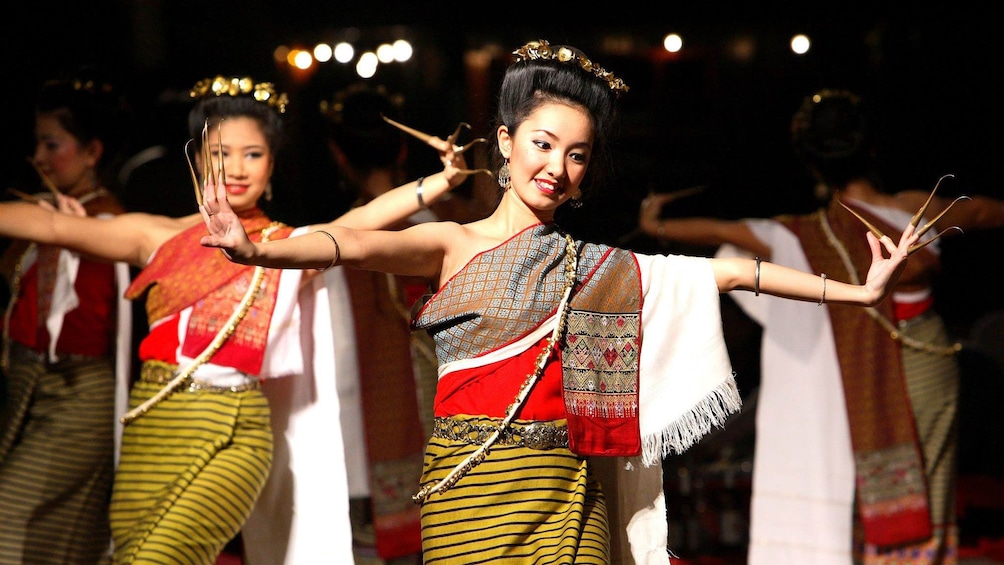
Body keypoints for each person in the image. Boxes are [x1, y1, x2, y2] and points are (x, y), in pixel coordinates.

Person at [200, 40, 923, 564]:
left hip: (566, 492)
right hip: (470, 490)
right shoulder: (452, 242)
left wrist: (856, 291)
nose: (558, 166)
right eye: (544, 144)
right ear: (507, 144)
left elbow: (727, 276)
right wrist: (258, 249)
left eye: (577, 154)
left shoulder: (595, 266)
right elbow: (344, 245)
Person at [0, 74, 472, 565]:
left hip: (233, 428)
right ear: (198, 158)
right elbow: (53, 226)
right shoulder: (154, 236)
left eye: (254, 154)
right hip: (151, 423)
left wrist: (441, 180)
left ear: (272, 166)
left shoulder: (285, 246)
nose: (237, 168)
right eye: (222, 153)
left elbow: (359, 222)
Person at [637, 88, 1004, 564]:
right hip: (929, 361)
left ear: (812, 165)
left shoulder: (800, 234)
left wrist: (656, 225)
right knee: (929, 484)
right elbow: (983, 211)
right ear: (870, 148)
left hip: (854, 371)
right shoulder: (917, 207)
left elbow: (717, 231)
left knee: (859, 484)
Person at [0, 68, 133, 565]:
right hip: (33, 389)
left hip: (81, 396)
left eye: (51, 144)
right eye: (38, 144)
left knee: (10, 520)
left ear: (93, 151)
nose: (39, 157)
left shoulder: (109, 224)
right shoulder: (43, 217)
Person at [320, 82, 431, 563]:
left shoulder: (328, 246)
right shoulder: (458, 226)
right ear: (404, 147)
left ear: (337, 157)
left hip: (369, 431)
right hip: (458, 421)